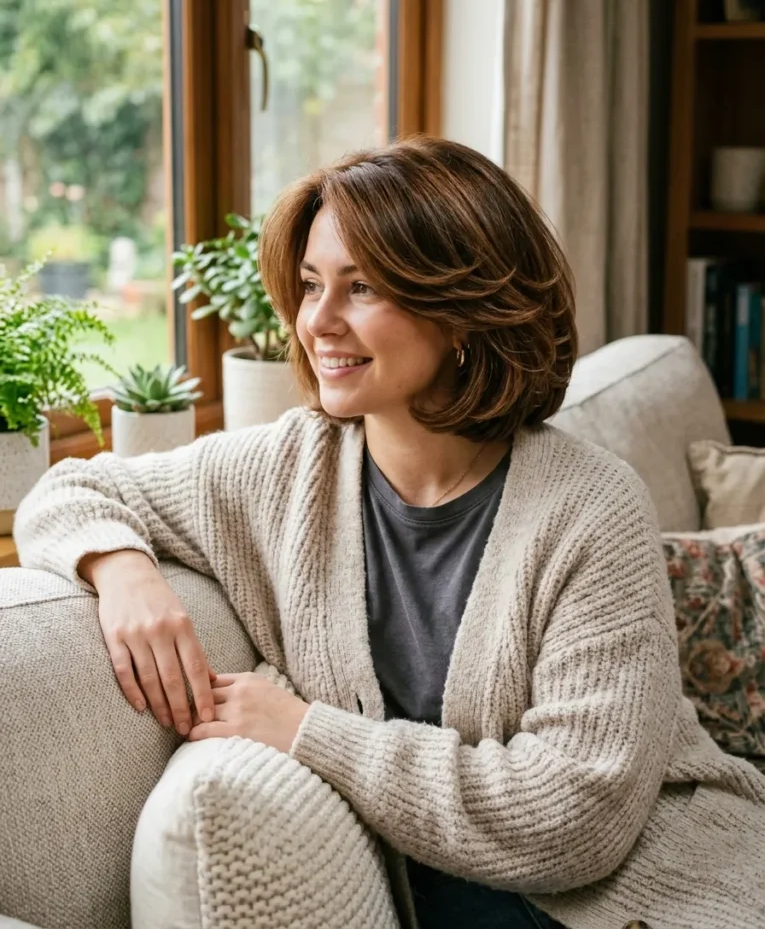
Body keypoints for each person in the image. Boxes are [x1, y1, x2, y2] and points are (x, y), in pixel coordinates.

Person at [14, 137, 765, 929]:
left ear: (466, 309)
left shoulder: (591, 507)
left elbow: (575, 819)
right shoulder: (283, 469)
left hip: (663, 894)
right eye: (310, 285)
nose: (318, 322)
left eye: (362, 286)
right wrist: (121, 567)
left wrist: (307, 733)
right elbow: (73, 485)